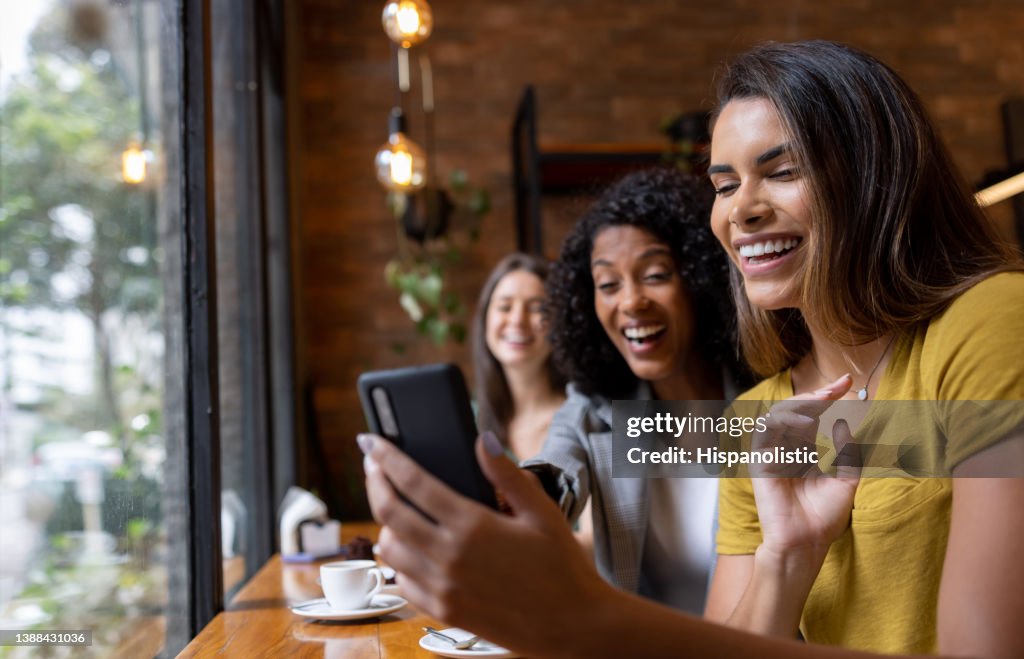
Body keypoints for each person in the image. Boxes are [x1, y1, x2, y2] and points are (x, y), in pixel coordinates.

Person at [359, 40, 1024, 659]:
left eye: (781, 170)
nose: (741, 210)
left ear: (875, 176)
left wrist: (581, 616)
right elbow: (569, 452)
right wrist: (787, 554)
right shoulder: (757, 422)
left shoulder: (989, 321)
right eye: (725, 184)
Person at [520, 166, 743, 613]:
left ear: (699, 279)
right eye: (607, 284)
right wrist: (520, 491)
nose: (630, 301)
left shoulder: (771, 397)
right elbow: (554, 471)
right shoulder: (595, 406)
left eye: (656, 275)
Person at [471, 253, 566, 461]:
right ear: (485, 319)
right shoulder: (465, 418)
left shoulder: (592, 416)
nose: (517, 320)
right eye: (505, 307)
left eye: (537, 308)